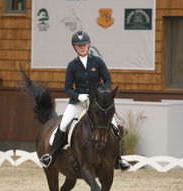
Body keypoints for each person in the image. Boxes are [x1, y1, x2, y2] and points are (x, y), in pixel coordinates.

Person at [39, 31, 130, 170]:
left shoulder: (98, 61)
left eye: (84, 45)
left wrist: (101, 93)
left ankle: (118, 159)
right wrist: (77, 96)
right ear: (74, 47)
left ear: (89, 45)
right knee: (63, 125)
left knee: (114, 127)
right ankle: (51, 156)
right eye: (79, 45)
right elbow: (67, 88)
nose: (82, 47)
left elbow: (108, 80)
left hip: (97, 104)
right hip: (78, 103)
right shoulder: (72, 65)